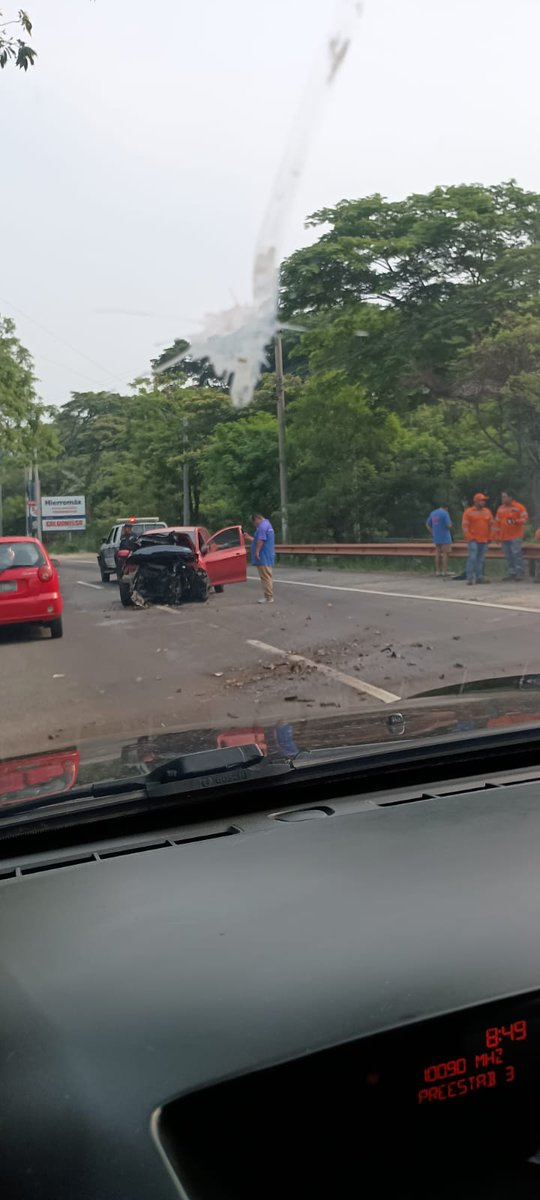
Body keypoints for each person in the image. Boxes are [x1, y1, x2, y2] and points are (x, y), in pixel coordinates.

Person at [494, 491, 528, 581]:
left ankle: (519, 574)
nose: (503, 499)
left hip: (515, 535)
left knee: (516, 554)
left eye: (504, 497)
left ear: (510, 497)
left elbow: (525, 519)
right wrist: (496, 536)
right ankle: (512, 573)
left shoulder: (519, 507)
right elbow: (497, 523)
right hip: (504, 536)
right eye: (502, 497)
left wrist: (515, 521)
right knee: (508, 555)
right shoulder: (500, 508)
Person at [462, 493, 494, 585]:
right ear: (475, 501)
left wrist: (490, 537)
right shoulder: (468, 512)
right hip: (473, 540)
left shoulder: (487, 511)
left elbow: (492, 525)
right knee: (472, 558)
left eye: (484, 500)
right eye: (481, 500)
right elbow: (465, 526)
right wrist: (469, 537)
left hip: (484, 540)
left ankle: (479, 577)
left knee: (481, 559)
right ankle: (470, 577)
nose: (483, 502)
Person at [244, 512, 275, 603]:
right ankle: (268, 596)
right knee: (266, 576)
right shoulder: (267, 525)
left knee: (265, 577)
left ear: (257, 518)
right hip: (267, 554)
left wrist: (257, 552)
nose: (254, 525)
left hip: (263, 555)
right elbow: (258, 540)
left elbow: (261, 541)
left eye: (254, 522)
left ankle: (268, 597)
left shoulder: (262, 526)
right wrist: (249, 537)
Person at [425, 504, 452, 576]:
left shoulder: (433, 513)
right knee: (445, 554)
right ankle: (445, 571)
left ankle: (437, 571)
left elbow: (427, 524)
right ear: (446, 507)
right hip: (445, 536)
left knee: (437, 553)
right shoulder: (445, 513)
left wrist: (432, 532)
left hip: (436, 536)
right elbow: (449, 525)